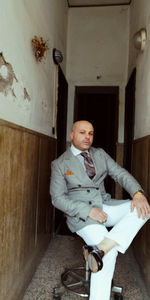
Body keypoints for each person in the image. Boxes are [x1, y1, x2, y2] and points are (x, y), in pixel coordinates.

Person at [50, 120, 150, 300]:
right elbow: (57, 199)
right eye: (82, 132)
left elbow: (120, 174)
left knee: (143, 209)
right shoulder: (60, 164)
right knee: (109, 256)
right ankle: (104, 253)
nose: (87, 136)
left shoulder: (100, 154)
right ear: (72, 135)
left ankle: (101, 248)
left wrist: (138, 193)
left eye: (91, 133)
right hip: (81, 215)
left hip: (104, 205)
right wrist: (87, 211)